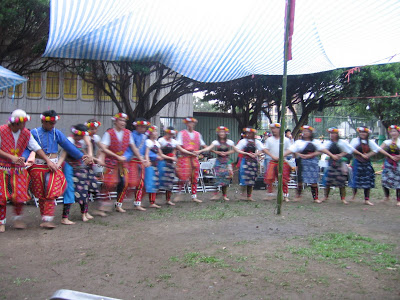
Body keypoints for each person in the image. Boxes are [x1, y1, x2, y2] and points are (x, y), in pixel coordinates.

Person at [29, 110, 89, 228]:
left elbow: (68, 146)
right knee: (41, 194)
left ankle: (48, 219)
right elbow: (28, 148)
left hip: (54, 167)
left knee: (52, 192)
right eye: (50, 123)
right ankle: (45, 219)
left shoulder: (57, 133)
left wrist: (82, 156)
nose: (52, 126)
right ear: (43, 121)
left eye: (54, 123)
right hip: (38, 166)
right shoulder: (34, 133)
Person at [0, 110, 57, 232]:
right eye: (23, 122)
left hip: (18, 169)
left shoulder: (26, 133)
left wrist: (48, 160)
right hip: (2, 168)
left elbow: (36, 147)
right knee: (1, 197)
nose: (25, 124)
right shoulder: (2, 130)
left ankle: (18, 218)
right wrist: (12, 157)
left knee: (20, 195)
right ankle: (1, 222)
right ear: (16, 123)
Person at [100, 113, 145, 213]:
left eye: (124, 121)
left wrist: (141, 159)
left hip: (122, 163)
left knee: (124, 182)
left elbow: (133, 148)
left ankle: (118, 205)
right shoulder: (109, 133)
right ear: (115, 121)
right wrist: (116, 156)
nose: (123, 122)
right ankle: (103, 205)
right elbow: (103, 147)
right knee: (109, 184)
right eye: (120, 120)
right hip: (110, 161)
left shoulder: (128, 133)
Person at [196, 126, 247, 201]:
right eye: (220, 132)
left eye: (223, 132)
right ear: (218, 133)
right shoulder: (216, 142)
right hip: (218, 161)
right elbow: (208, 148)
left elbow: (235, 150)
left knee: (226, 177)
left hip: (226, 161)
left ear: (226, 133)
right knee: (217, 177)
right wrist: (200, 151)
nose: (222, 133)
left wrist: (227, 152)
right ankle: (215, 194)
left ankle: (224, 195)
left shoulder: (229, 142)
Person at [58, 124, 94, 224]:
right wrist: (57, 166)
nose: (83, 138)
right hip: (69, 168)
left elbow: (86, 151)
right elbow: (62, 157)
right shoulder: (69, 141)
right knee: (69, 191)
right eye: (82, 136)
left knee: (84, 189)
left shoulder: (79, 142)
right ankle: (64, 218)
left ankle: (84, 213)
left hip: (80, 168)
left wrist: (91, 157)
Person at [321, 127, 366, 204]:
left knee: (341, 182)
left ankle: (343, 198)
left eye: (334, 133)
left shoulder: (342, 142)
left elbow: (348, 150)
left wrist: (339, 155)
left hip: (340, 163)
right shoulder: (327, 143)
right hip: (331, 163)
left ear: (337, 134)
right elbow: (323, 149)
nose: (332, 135)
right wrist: (332, 155)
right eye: (331, 133)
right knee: (328, 181)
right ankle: (326, 197)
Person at [349, 126, 391, 205]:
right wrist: (361, 154)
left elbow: (376, 150)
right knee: (356, 179)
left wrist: (368, 155)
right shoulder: (355, 140)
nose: (362, 133)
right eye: (361, 132)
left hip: (366, 163)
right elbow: (350, 148)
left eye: (364, 132)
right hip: (357, 162)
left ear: (367, 133)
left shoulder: (370, 142)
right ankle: (353, 195)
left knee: (367, 181)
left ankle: (366, 199)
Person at [284, 125, 326, 203]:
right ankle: (298, 196)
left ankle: (315, 198)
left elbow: (322, 150)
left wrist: (311, 155)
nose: (305, 133)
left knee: (313, 181)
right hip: (302, 162)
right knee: (300, 180)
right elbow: (291, 150)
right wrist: (282, 155)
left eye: (307, 131)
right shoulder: (299, 142)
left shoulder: (315, 142)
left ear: (311, 133)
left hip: (313, 163)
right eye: (304, 131)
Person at [175, 117, 206, 203]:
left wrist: (201, 151)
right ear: (186, 124)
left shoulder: (198, 134)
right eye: (188, 123)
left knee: (194, 177)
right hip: (184, 158)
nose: (190, 124)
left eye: (191, 123)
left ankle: (194, 196)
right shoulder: (181, 133)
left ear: (194, 124)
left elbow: (204, 146)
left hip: (194, 158)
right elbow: (178, 146)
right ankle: (179, 194)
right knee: (183, 176)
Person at [144, 126, 176, 208]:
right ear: (150, 133)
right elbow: (146, 154)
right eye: (154, 131)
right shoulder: (148, 142)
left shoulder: (156, 143)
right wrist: (147, 161)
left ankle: (153, 202)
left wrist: (170, 157)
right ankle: (145, 202)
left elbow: (161, 154)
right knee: (149, 182)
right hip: (150, 164)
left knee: (155, 182)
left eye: (156, 131)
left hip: (156, 164)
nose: (156, 133)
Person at [124, 118, 151, 211]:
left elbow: (146, 151)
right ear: (136, 126)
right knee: (129, 182)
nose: (143, 128)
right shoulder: (131, 135)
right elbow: (132, 149)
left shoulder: (145, 137)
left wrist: (146, 159)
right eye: (141, 126)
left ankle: (137, 203)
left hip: (141, 162)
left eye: (144, 127)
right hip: (132, 161)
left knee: (140, 183)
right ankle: (121, 202)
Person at [263, 123, 292, 201]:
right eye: (272, 129)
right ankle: (270, 194)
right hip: (272, 161)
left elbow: (290, 149)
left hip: (282, 162)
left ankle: (285, 195)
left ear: (280, 129)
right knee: (269, 178)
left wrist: (282, 155)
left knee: (283, 179)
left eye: (275, 128)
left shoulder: (285, 139)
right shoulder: (269, 139)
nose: (273, 130)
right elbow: (265, 149)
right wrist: (272, 156)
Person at [236, 127, 264, 201]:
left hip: (253, 161)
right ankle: (243, 194)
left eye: (251, 133)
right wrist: (245, 153)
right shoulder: (243, 141)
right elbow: (236, 149)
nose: (249, 134)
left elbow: (263, 149)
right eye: (248, 133)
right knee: (243, 176)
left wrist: (256, 154)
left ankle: (249, 196)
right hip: (245, 160)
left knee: (251, 178)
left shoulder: (257, 142)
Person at [378, 125, 400, 206]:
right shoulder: (387, 142)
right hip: (388, 163)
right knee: (384, 179)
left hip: (398, 164)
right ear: (390, 133)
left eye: (395, 131)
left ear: (398, 133)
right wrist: (389, 156)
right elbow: (379, 149)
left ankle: (398, 200)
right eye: (392, 131)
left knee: (398, 181)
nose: (393, 133)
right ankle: (387, 197)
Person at [158, 127, 179, 205]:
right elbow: (158, 152)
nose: (170, 135)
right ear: (166, 133)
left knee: (170, 181)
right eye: (169, 134)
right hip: (162, 162)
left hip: (170, 163)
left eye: (172, 134)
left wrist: (173, 156)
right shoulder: (161, 140)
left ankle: (168, 199)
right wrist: (170, 157)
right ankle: (153, 199)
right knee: (159, 180)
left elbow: (175, 149)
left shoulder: (174, 142)